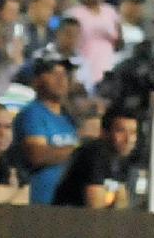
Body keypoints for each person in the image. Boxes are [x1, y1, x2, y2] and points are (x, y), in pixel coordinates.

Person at [12, 51, 80, 206]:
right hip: (40, 204)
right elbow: (37, 155)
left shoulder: (68, 119)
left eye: (64, 74)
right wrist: (78, 152)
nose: (61, 79)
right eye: (52, 73)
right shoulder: (33, 113)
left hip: (66, 205)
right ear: (36, 80)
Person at [54, 104, 141, 208]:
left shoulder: (122, 159)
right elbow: (95, 211)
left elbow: (122, 204)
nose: (128, 139)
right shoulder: (93, 154)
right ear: (104, 133)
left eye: (132, 133)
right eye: (121, 131)